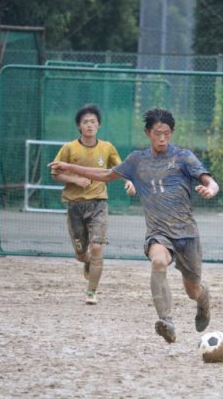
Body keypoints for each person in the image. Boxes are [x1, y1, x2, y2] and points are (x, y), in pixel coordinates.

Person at [49, 108, 219, 343]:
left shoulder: (184, 157)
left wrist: (210, 189)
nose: (162, 138)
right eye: (157, 133)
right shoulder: (137, 160)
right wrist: (70, 168)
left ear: (171, 133)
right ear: (148, 132)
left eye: (166, 134)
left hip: (187, 234)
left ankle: (203, 301)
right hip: (159, 233)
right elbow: (108, 174)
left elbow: (210, 181)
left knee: (193, 290)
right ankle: (166, 321)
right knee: (158, 262)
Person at [51, 104, 135, 305]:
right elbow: (55, 173)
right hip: (75, 206)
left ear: (99, 125)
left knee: (97, 247)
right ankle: (86, 261)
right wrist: (75, 180)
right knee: (81, 254)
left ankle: (91, 292)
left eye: (93, 122)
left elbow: (119, 169)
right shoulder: (69, 148)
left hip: (98, 204)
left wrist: (129, 181)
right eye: (85, 122)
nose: (90, 125)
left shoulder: (107, 148)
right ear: (79, 127)